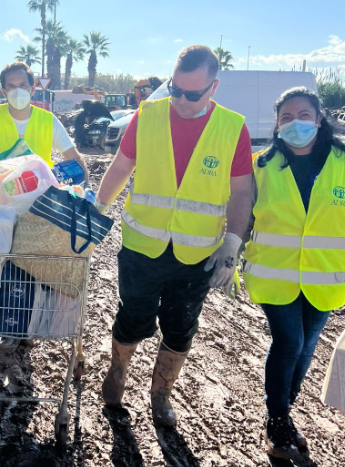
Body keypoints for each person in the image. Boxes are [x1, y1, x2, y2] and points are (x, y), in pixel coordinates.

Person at [94, 45, 254, 428]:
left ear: (213, 87)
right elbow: (121, 167)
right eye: (175, 89)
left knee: (181, 326)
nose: (181, 100)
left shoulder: (233, 128)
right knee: (133, 317)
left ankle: (161, 394)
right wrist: (97, 207)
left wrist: (233, 242)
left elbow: (242, 190)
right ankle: (117, 374)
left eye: (192, 93)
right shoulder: (147, 115)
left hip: (196, 253)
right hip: (142, 245)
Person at [241, 87, 345, 461]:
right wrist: (229, 251)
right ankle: (277, 419)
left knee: (306, 346)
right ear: (276, 124)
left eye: (304, 115)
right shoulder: (262, 166)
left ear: (319, 119)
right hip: (276, 275)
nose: (295, 123)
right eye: (286, 118)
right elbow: (243, 216)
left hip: (325, 276)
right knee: (289, 341)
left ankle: (282, 409)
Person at [0, 61, 89, 179]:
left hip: (40, 196)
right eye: (11, 86)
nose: (18, 91)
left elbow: (76, 159)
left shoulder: (48, 120)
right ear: (4, 92)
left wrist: (86, 193)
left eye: (23, 85)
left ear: (32, 89)